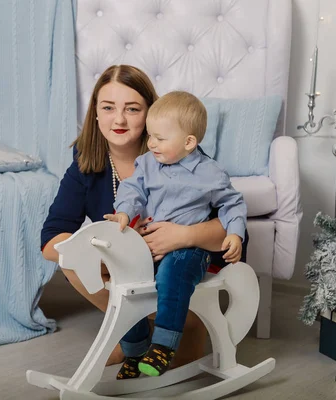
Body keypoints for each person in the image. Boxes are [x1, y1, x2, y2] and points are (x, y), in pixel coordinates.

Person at [40, 65, 248, 370]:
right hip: (133, 268)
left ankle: (171, 332)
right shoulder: (86, 161)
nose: (119, 119)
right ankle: (130, 332)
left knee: (180, 354)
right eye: (108, 107)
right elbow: (51, 239)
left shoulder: (180, 153)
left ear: (150, 113)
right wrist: (108, 259)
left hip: (182, 262)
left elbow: (232, 221)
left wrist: (183, 235)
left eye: (133, 109)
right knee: (73, 257)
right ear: (95, 113)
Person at [104, 91, 247, 379]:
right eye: (150, 136)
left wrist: (235, 234)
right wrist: (124, 211)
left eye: (160, 138)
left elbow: (233, 204)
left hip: (189, 251)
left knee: (172, 274)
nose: (151, 143)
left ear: (189, 142)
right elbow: (132, 190)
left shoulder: (211, 173)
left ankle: (164, 346)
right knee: (124, 278)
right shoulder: (146, 164)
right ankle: (135, 349)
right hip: (152, 246)